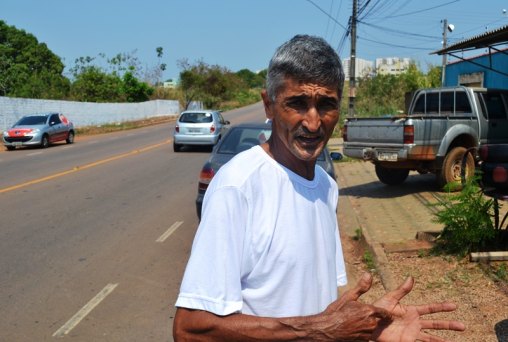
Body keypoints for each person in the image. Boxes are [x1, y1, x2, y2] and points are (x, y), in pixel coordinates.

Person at [173, 34, 465, 341]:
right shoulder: (238, 186)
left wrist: (370, 329)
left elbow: (319, 310)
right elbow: (190, 329)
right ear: (269, 105)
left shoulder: (325, 186)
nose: (313, 123)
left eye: (326, 105)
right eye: (297, 104)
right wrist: (318, 330)